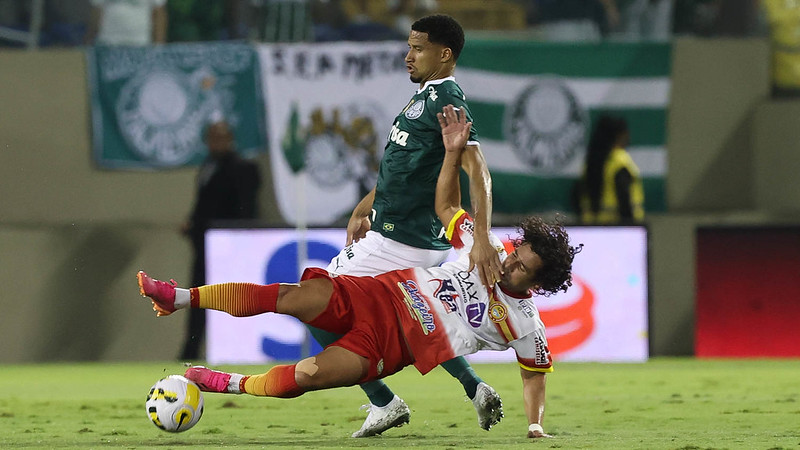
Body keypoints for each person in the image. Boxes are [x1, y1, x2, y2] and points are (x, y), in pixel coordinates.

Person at [137, 104, 581, 438]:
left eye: (521, 268)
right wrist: (450, 154)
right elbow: (446, 204)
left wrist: (536, 426)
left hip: (391, 343)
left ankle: (211, 380)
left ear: (537, 285)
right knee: (290, 297)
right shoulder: (484, 248)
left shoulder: (526, 325)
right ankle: (178, 297)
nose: (509, 263)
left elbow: (533, 378)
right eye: (515, 253)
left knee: (307, 377)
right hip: (378, 294)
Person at [311, 14, 504, 437]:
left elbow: (478, 169)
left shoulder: (446, 99)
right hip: (397, 234)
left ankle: (384, 402)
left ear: (444, 54)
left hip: (401, 241)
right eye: (409, 46)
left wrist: (483, 238)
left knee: (316, 306)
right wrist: (364, 209)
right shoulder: (426, 97)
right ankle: (475, 388)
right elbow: (403, 172)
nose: (408, 56)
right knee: (417, 316)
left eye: (418, 48)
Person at [179, 119, 261, 360]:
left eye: (222, 137)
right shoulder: (207, 166)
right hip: (204, 245)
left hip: (227, 246)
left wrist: (236, 238)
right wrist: (192, 223)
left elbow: (246, 209)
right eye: (213, 138)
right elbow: (204, 205)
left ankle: (235, 350)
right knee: (197, 299)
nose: (217, 142)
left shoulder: (243, 168)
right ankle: (190, 351)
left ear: (230, 140)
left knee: (228, 299)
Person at [574, 114, 644, 224]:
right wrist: (631, 227)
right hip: (617, 229)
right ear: (619, 135)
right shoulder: (620, 162)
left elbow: (576, 196)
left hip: (590, 229)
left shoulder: (589, 164)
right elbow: (625, 200)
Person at [85, 0, 167, 46]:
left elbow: (159, 13)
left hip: (140, 43)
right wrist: (90, 39)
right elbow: (96, 11)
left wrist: (159, 45)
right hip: (108, 42)